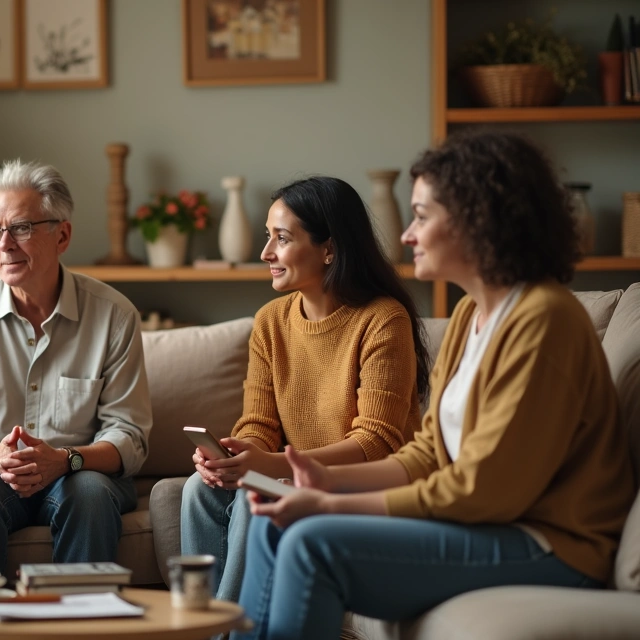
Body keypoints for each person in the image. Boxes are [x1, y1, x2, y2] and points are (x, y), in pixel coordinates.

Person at [234, 130, 636, 640]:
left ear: (477, 221)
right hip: (487, 524)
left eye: (422, 217)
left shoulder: (544, 319)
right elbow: (429, 452)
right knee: (275, 527)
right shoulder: (472, 311)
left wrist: (331, 506)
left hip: (551, 542)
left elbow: (482, 489)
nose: (406, 235)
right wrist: (323, 477)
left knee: (312, 542)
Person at [180, 175, 430, 603]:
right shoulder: (271, 321)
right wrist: (236, 454)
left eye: (281, 238)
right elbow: (259, 423)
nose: (266, 253)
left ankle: (232, 631)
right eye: (267, 237)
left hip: (359, 482)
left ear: (329, 248)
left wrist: (271, 465)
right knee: (197, 490)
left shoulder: (383, 319)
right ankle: (197, 623)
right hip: (290, 472)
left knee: (252, 498)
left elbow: (377, 441)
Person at [0, 159, 152, 575]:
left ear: (61, 234)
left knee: (90, 493)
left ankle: (80, 626)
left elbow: (130, 437)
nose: (5, 244)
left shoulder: (114, 315)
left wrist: (65, 459)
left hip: (80, 474)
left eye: (22, 228)